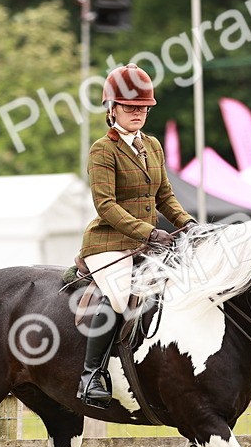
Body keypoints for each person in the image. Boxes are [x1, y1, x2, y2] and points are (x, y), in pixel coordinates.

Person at [77, 63, 195, 407]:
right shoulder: (103, 149)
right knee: (118, 297)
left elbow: (165, 196)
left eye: (143, 107)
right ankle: (91, 375)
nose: (138, 113)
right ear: (112, 108)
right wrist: (150, 232)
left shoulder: (153, 146)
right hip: (109, 242)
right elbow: (106, 205)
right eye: (130, 107)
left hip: (146, 242)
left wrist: (189, 224)